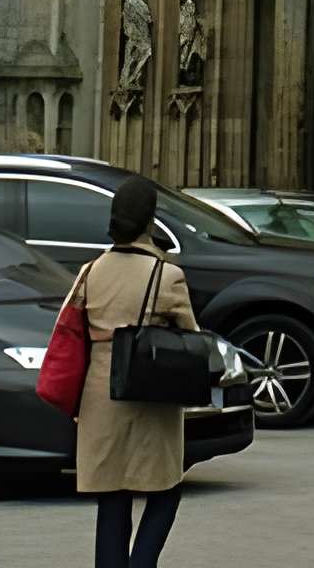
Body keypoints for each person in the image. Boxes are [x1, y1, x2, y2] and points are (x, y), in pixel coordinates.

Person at [67, 173, 199, 568]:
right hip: (149, 395)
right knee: (165, 490)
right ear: (149, 221)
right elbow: (190, 336)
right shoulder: (167, 275)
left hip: (100, 393)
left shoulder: (91, 271)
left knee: (112, 498)